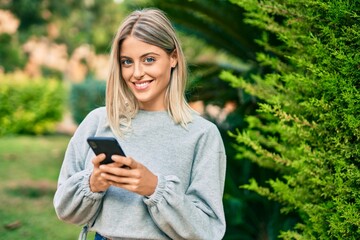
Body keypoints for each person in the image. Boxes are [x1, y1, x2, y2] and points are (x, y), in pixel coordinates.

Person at [54, 8, 226, 240]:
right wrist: (93, 183)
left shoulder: (202, 134)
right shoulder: (98, 122)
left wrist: (155, 188)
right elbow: (65, 211)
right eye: (127, 62)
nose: (137, 73)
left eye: (149, 60)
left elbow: (208, 231)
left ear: (173, 58)